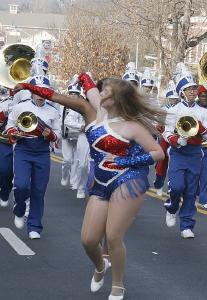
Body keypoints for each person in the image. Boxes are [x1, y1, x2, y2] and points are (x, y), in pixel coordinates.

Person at [16, 73, 165, 299]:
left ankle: (118, 285)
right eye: (101, 90)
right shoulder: (98, 111)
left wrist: (127, 161)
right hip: (101, 180)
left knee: (113, 236)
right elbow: (56, 96)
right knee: (88, 240)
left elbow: (158, 153)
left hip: (127, 179)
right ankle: (99, 266)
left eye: (106, 91)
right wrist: (26, 86)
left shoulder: (133, 126)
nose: (100, 91)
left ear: (116, 100)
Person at [6, 71, 61, 239]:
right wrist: (14, 132)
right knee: (21, 185)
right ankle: (20, 208)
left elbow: (58, 135)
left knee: (39, 190)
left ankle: (34, 225)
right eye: (37, 91)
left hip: (42, 152)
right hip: (23, 149)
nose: (40, 95)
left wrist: (50, 135)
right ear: (31, 91)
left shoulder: (53, 111)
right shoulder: (19, 107)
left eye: (44, 91)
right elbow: (9, 127)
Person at [163, 63, 207, 238]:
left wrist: (199, 127)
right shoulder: (174, 110)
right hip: (178, 153)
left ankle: (186, 225)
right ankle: (171, 207)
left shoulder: (204, 112)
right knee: (177, 186)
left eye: (194, 88)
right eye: (189, 89)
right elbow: (166, 133)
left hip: (195, 154)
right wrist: (177, 140)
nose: (192, 92)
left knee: (191, 191)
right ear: (181, 92)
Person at [153, 80, 180, 196]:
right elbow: (157, 125)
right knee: (162, 161)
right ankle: (159, 183)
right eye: (172, 98)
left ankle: (172, 187)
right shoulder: (163, 109)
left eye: (175, 98)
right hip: (164, 137)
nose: (174, 100)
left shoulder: (180, 108)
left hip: (176, 135)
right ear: (168, 98)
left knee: (175, 163)